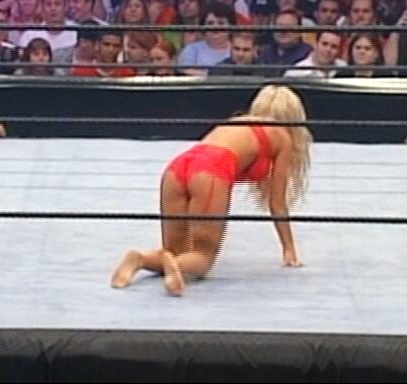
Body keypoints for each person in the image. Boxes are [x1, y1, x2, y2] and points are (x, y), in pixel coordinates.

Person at [111, 85, 312, 296]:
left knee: (174, 252)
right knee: (202, 257)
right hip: (210, 172)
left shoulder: (236, 123)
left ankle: (141, 259)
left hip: (177, 167)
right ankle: (175, 266)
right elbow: (277, 202)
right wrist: (289, 249)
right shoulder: (282, 136)